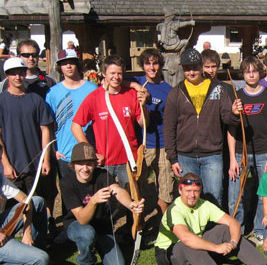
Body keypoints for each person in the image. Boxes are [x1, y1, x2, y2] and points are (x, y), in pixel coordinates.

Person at [154, 173, 267, 265]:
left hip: (195, 242)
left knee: (224, 229)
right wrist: (216, 248)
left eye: (196, 191)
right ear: (180, 190)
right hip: (169, 253)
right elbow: (186, 238)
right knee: (190, 244)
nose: (192, 195)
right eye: (188, 191)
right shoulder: (175, 210)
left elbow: (233, 222)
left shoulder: (204, 205)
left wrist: (233, 243)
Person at [163, 48, 240, 207]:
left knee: (214, 198)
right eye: (187, 69)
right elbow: (169, 127)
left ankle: (211, 224)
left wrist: (233, 113)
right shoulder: (175, 93)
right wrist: (173, 158)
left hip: (212, 155)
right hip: (185, 155)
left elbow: (227, 118)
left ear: (200, 67)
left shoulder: (217, 89)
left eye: (195, 68)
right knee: (189, 199)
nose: (191, 72)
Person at [60, 142, 143, 265]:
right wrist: (93, 201)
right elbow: (82, 220)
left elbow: (117, 190)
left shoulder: (102, 175)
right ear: (73, 165)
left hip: (101, 227)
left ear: (94, 164)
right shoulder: (66, 182)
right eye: (80, 164)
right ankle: (87, 263)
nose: (85, 168)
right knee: (87, 233)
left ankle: (95, 245)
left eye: (89, 164)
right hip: (77, 226)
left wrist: (131, 204)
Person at [0, 57, 55, 214]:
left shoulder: (36, 100)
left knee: (36, 205)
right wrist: (6, 164)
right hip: (11, 167)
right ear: (7, 76)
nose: (17, 77)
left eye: (21, 73)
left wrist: (46, 160)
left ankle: (40, 229)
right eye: (13, 73)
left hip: (35, 166)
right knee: (9, 211)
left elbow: (45, 130)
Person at [72, 55, 148, 188]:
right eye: (112, 73)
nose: (116, 77)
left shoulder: (131, 94)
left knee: (130, 197)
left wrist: (143, 106)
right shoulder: (94, 97)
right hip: (104, 161)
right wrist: (90, 153)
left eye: (119, 73)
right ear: (104, 74)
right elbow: (75, 126)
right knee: (106, 198)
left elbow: (143, 123)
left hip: (129, 159)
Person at [227, 56, 267, 242]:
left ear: (260, 73)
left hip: (264, 152)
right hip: (240, 152)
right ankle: (237, 229)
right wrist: (232, 159)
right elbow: (231, 130)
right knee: (235, 195)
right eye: (247, 72)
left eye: (254, 71)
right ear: (242, 74)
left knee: (263, 195)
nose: (251, 75)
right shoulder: (236, 96)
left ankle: (260, 227)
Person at [128, 48, 174, 215]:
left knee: (166, 187)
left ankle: (163, 223)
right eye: (148, 64)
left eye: (155, 64)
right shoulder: (137, 81)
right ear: (142, 66)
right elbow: (116, 81)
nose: (152, 68)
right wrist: (137, 87)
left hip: (162, 144)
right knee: (137, 185)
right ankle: (137, 222)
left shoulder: (168, 90)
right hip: (143, 144)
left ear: (160, 65)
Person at [45, 48, 98, 178]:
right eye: (64, 63)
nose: (68, 66)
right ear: (59, 67)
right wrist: (54, 150)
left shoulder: (92, 90)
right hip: (65, 153)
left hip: (90, 153)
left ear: (77, 64)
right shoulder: (52, 93)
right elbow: (48, 125)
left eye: (72, 62)